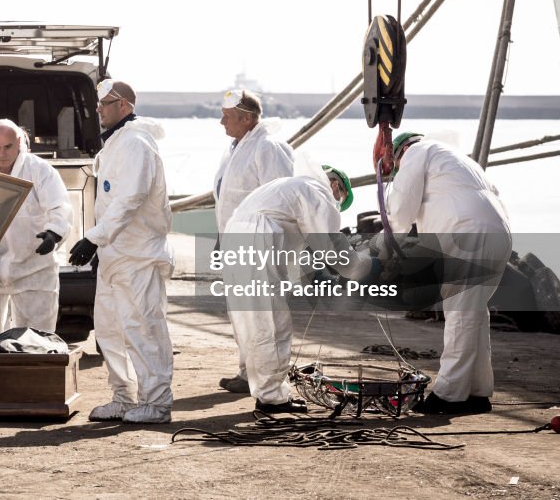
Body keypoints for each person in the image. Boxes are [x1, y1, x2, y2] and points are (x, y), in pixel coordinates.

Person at [67, 79, 175, 424]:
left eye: (105, 102)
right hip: (116, 255)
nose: (98, 108)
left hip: (138, 255)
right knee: (110, 329)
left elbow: (131, 198)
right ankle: (123, 397)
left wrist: (93, 237)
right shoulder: (116, 143)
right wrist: (101, 243)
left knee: (143, 327)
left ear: (125, 105)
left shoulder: (136, 143)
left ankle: (156, 403)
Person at [221, 163, 369, 414]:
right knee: (272, 323)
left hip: (235, 239)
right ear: (336, 186)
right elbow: (330, 245)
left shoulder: (288, 186)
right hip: (258, 241)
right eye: (340, 201)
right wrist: (360, 269)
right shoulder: (318, 191)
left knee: (252, 322)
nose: (336, 206)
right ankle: (272, 399)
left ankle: (264, 390)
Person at [384, 132, 512, 416]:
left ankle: (449, 395)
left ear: (401, 149)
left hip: (465, 232)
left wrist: (385, 246)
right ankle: (477, 393)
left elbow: (401, 207)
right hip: (496, 231)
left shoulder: (416, 152)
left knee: (460, 312)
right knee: (474, 312)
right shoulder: (460, 161)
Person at [0, 119, 73, 346]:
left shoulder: (40, 170)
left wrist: (53, 234)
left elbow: (59, 206)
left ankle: (32, 381)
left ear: (19, 142)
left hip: (35, 266)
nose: (2, 154)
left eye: (8, 147)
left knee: (37, 338)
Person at [214, 88, 294, 394]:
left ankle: (274, 384)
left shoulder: (269, 147)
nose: (222, 122)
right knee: (242, 313)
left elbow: (282, 199)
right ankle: (247, 371)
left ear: (247, 118)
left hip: (261, 246)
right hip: (236, 243)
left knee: (268, 316)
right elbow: (229, 200)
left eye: (227, 116)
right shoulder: (235, 148)